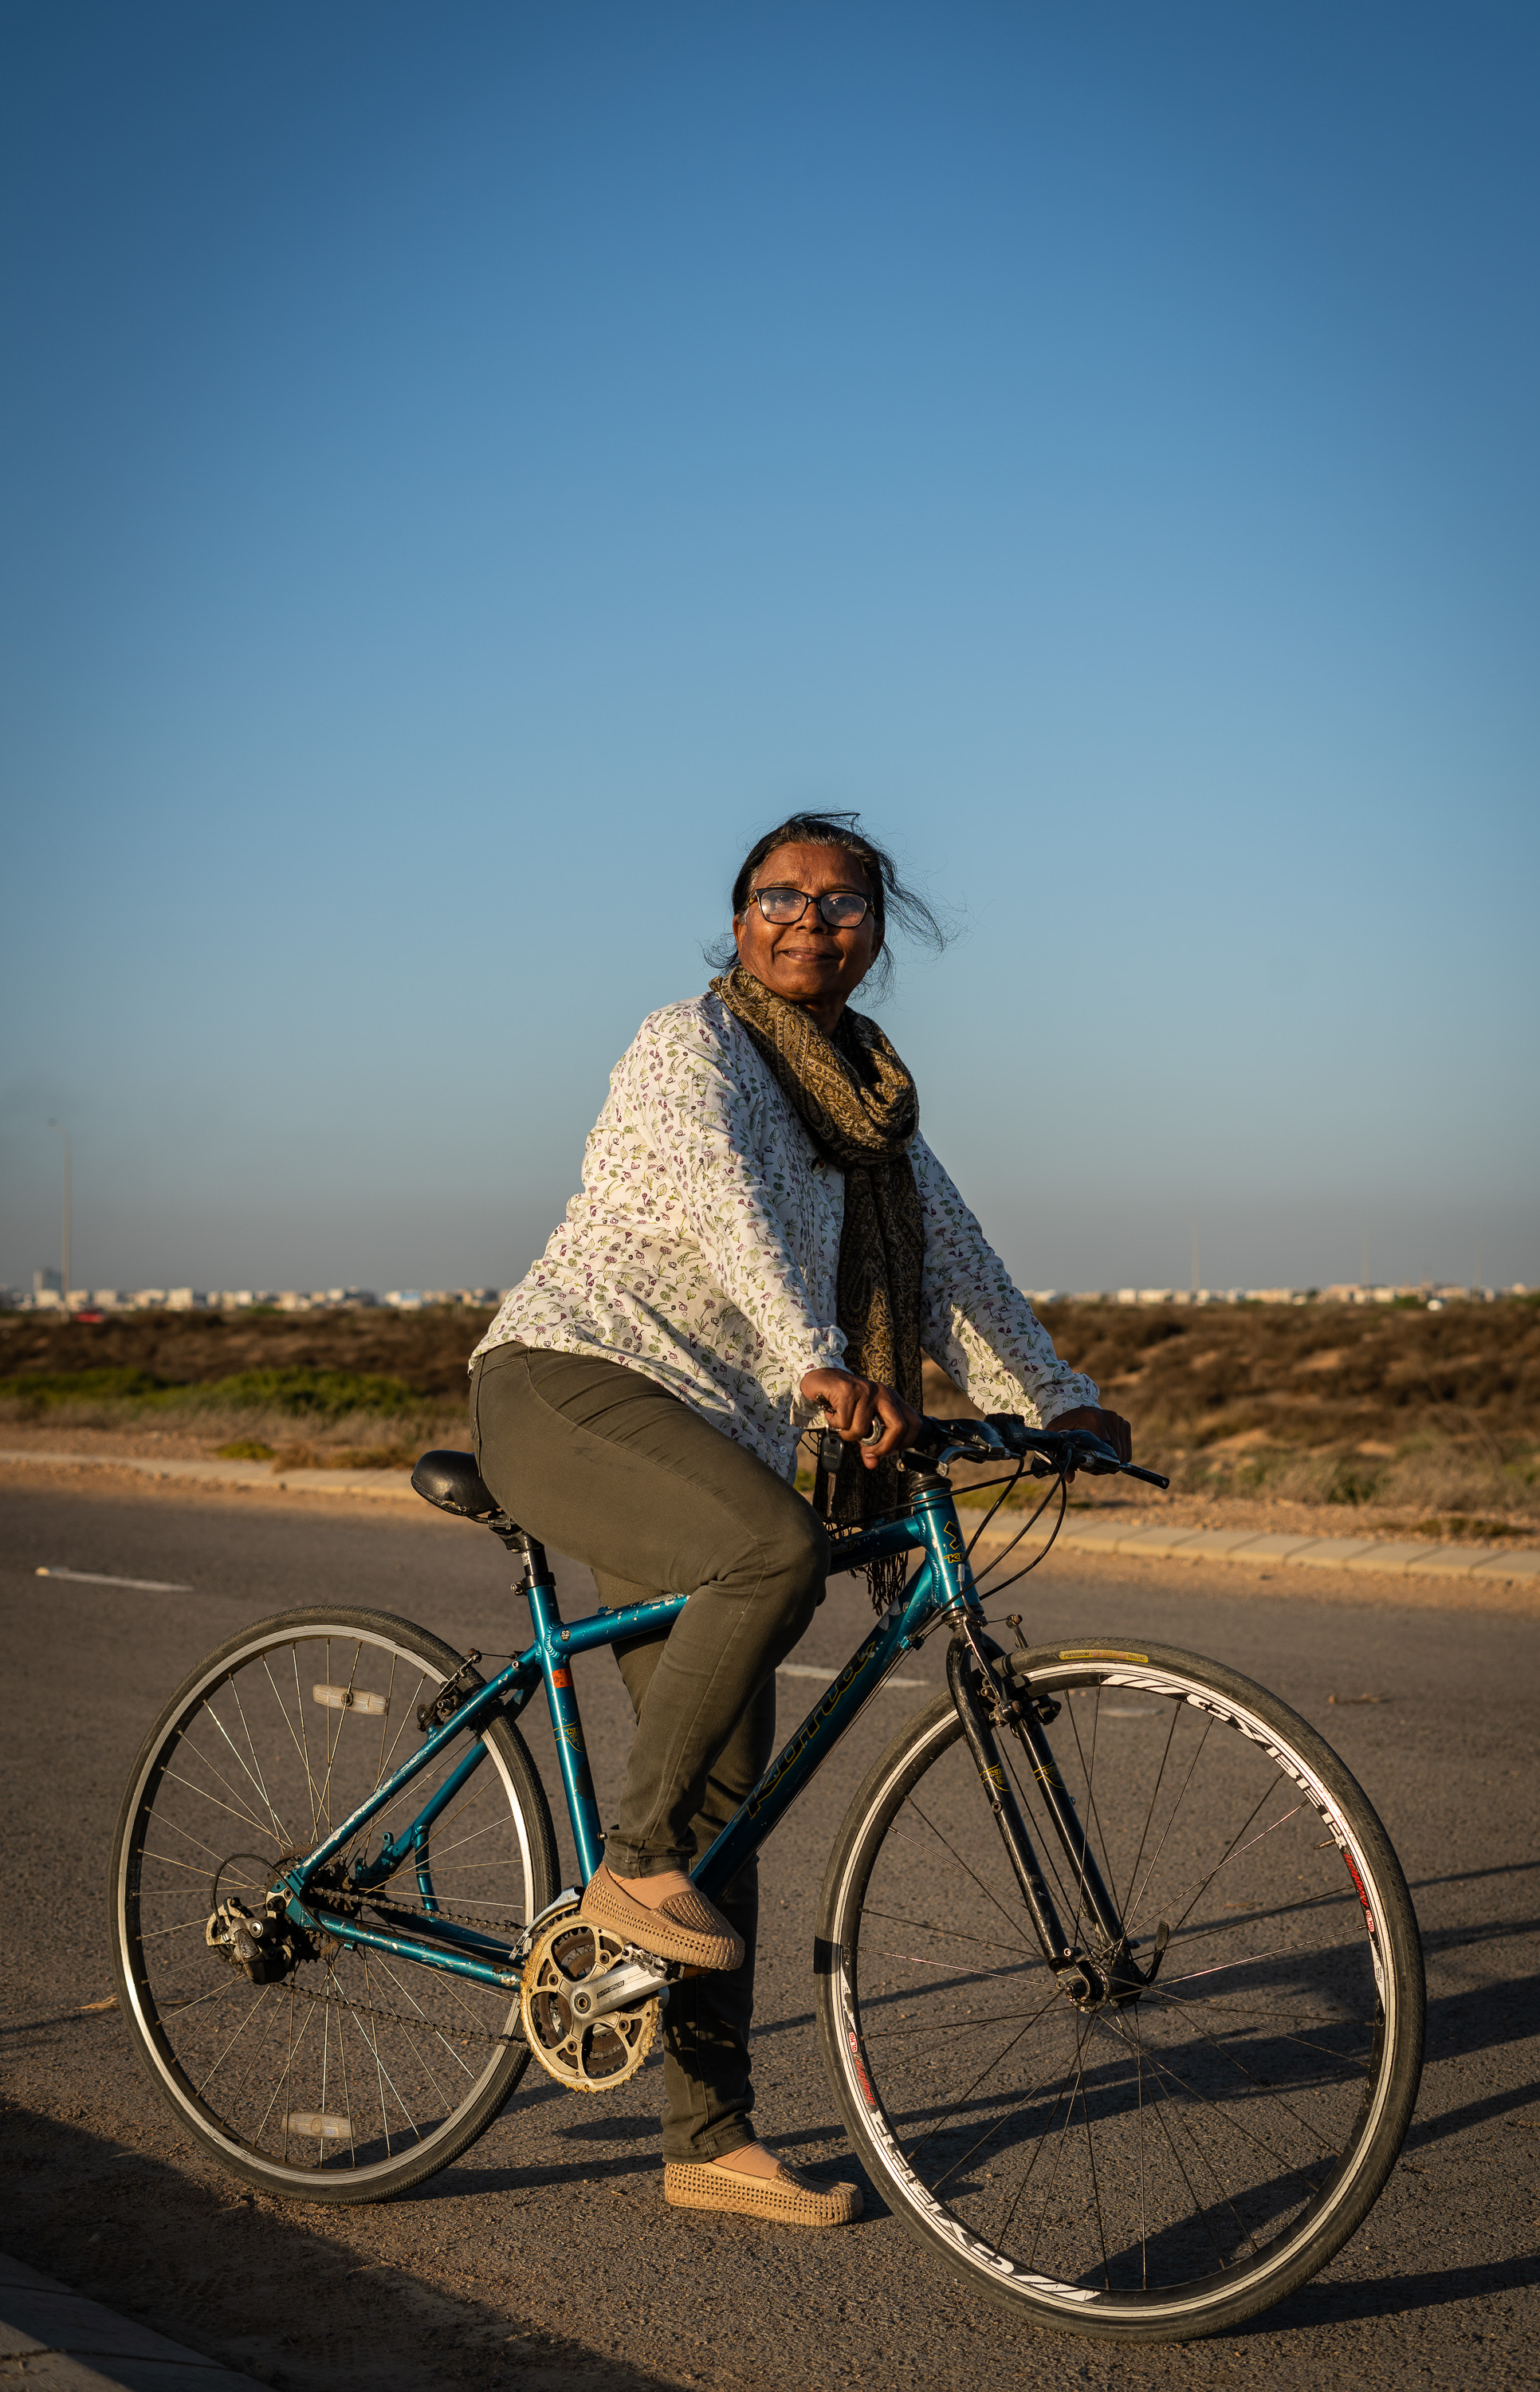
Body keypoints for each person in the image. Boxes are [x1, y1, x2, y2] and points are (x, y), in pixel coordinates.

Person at [469, 812, 1130, 2228]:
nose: (809, 921)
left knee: (730, 1787)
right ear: (736, 914)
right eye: (780, 896)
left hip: (713, 1426)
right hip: (574, 1379)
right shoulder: (686, 1046)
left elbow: (958, 1271)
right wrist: (811, 1362)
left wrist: (1061, 1398)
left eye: (842, 904)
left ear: (877, 935)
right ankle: (627, 1873)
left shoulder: (871, 1108)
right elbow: (725, 1214)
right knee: (771, 1552)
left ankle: (706, 2140)